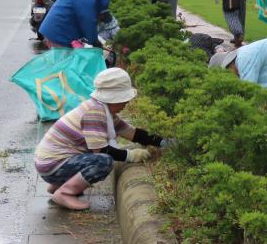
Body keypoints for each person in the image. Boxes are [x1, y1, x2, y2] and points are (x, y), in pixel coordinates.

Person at [34, 68, 169, 210]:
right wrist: (130, 155)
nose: (127, 103)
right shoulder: (94, 112)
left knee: (94, 157)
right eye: (124, 99)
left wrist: (162, 142)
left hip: (50, 163)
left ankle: (59, 184)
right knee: (104, 162)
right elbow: (101, 150)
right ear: (113, 98)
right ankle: (65, 193)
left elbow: (131, 132)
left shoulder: (102, 109)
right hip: (53, 165)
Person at [38, 0, 121, 48]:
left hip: (56, 31)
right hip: (57, 33)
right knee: (64, 62)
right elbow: (88, 22)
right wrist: (95, 42)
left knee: (66, 61)